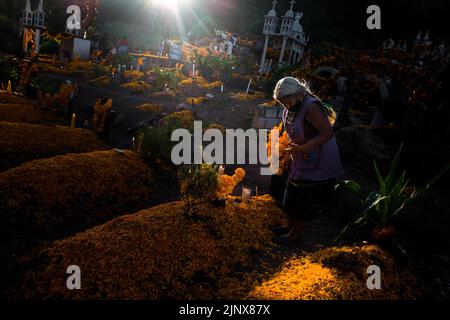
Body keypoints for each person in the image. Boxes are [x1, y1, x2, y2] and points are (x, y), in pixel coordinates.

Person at [271, 77, 344, 246]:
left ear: (298, 94)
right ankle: (289, 226)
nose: (286, 106)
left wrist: (302, 149)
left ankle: (295, 235)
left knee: (303, 197)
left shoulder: (311, 106)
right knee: (292, 194)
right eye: (282, 103)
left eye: (288, 101)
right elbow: (291, 133)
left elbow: (327, 134)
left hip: (318, 157)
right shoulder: (291, 106)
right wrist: (289, 154)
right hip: (300, 156)